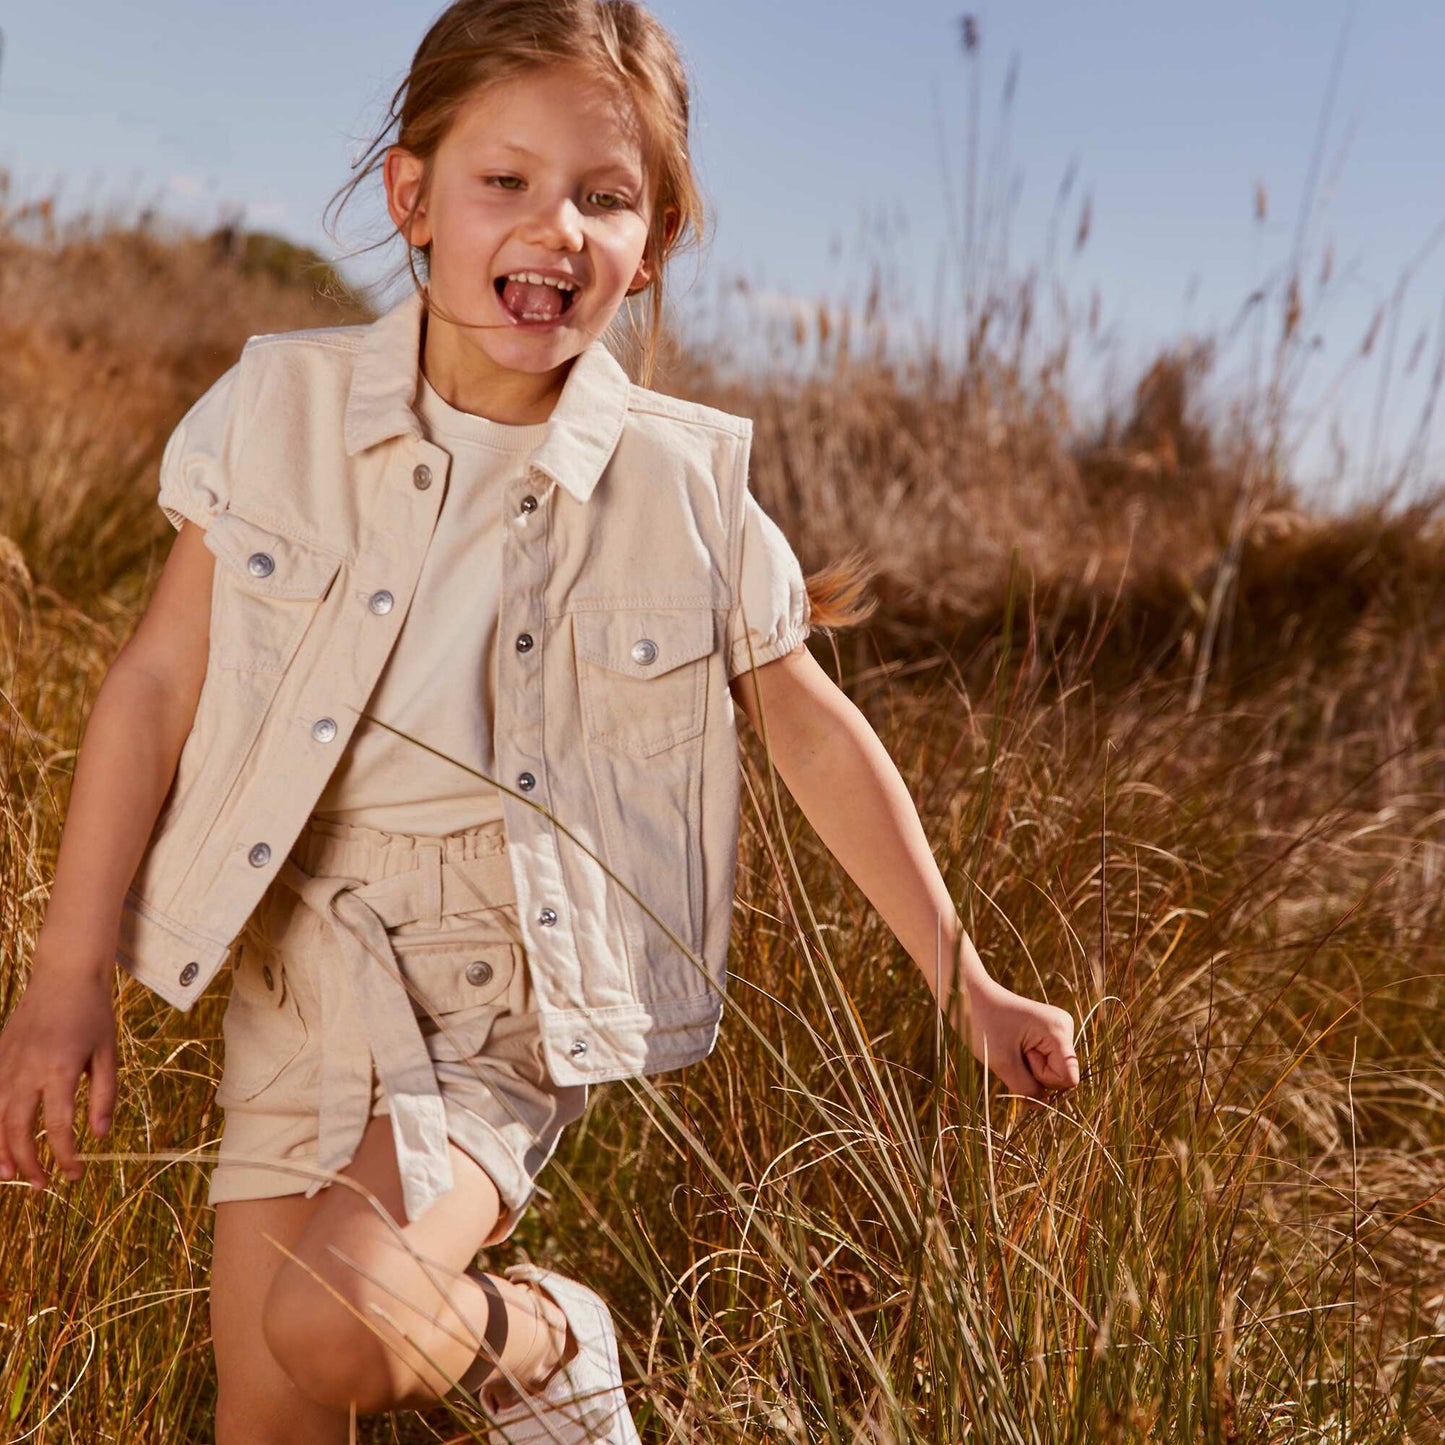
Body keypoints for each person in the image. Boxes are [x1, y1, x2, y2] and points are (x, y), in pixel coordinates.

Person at [0, 1, 1081, 1440]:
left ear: (655, 243)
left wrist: (967, 981)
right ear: (414, 196)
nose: (554, 226)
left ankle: (556, 1342)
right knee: (269, 1408)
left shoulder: (680, 486)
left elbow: (809, 730)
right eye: (503, 181)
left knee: (342, 1318)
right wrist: (70, 970)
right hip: (290, 959)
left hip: (507, 983)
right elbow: (151, 684)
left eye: (605, 196)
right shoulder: (278, 408)